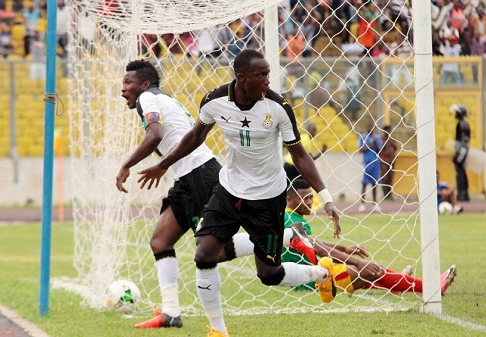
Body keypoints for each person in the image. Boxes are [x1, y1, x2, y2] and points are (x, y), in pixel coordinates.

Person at [138, 49, 341, 337]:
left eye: (268, 74)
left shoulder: (278, 107)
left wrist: (328, 197)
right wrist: (163, 164)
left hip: (268, 197)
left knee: (269, 275)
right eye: (261, 75)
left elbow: (300, 155)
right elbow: (196, 136)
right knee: (205, 252)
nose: (267, 81)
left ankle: (320, 273)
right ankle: (218, 331)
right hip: (229, 189)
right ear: (241, 77)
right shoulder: (214, 101)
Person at [283, 179, 457, 295]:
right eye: (303, 198)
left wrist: (345, 249)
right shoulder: (297, 222)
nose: (309, 203)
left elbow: (317, 243)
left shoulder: (288, 217)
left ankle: (398, 283)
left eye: (310, 198)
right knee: (373, 270)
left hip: (304, 276)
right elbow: (320, 249)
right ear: (290, 200)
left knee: (365, 273)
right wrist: (355, 261)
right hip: (312, 281)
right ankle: (433, 288)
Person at [357, 121, 383, 212]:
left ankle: (375, 204)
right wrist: (370, 145)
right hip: (367, 163)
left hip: (375, 163)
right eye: (369, 126)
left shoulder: (377, 138)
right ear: (366, 127)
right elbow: (360, 150)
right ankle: (362, 204)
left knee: (374, 184)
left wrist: (375, 144)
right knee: (364, 184)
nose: (370, 128)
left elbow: (380, 151)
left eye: (372, 127)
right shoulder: (363, 137)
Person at [450, 104, 470, 201]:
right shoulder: (463, 123)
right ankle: (464, 193)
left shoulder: (462, 124)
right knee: (461, 171)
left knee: (460, 172)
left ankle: (462, 193)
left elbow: (464, 139)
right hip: (463, 149)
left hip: (462, 149)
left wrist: (458, 154)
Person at [379, 125, 398, 200]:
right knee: (384, 177)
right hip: (384, 160)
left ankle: (390, 194)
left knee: (391, 178)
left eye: (390, 130)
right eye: (387, 130)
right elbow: (380, 149)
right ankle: (385, 194)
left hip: (392, 160)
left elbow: (396, 147)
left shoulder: (392, 139)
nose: (389, 132)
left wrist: (390, 141)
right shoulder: (382, 139)